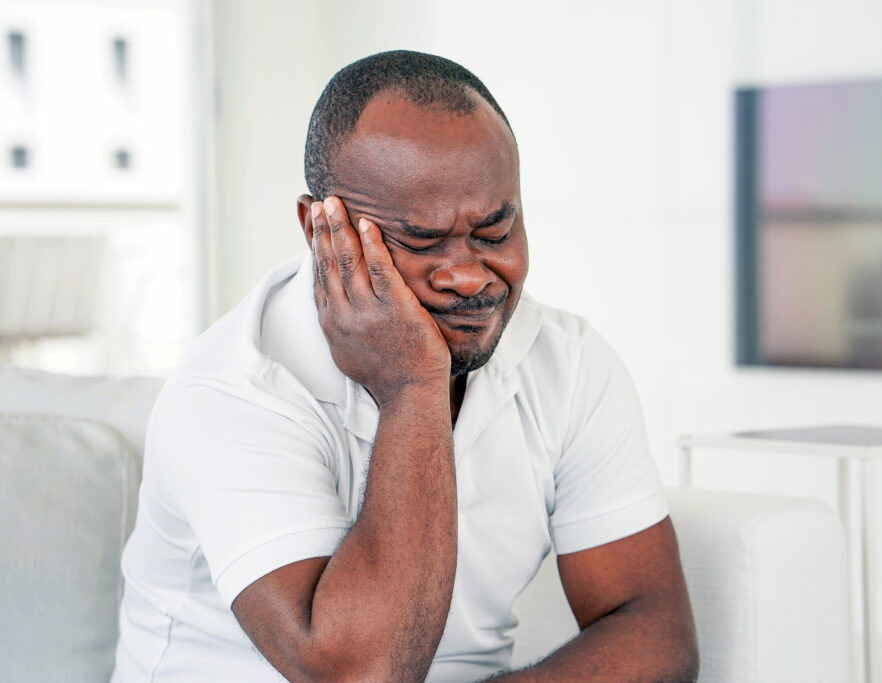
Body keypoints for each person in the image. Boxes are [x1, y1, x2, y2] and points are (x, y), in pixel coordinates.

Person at [113, 50, 698, 682]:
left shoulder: (568, 361)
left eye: (496, 233)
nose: (469, 275)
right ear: (320, 229)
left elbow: (656, 633)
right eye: (420, 242)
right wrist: (413, 387)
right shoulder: (232, 391)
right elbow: (360, 675)